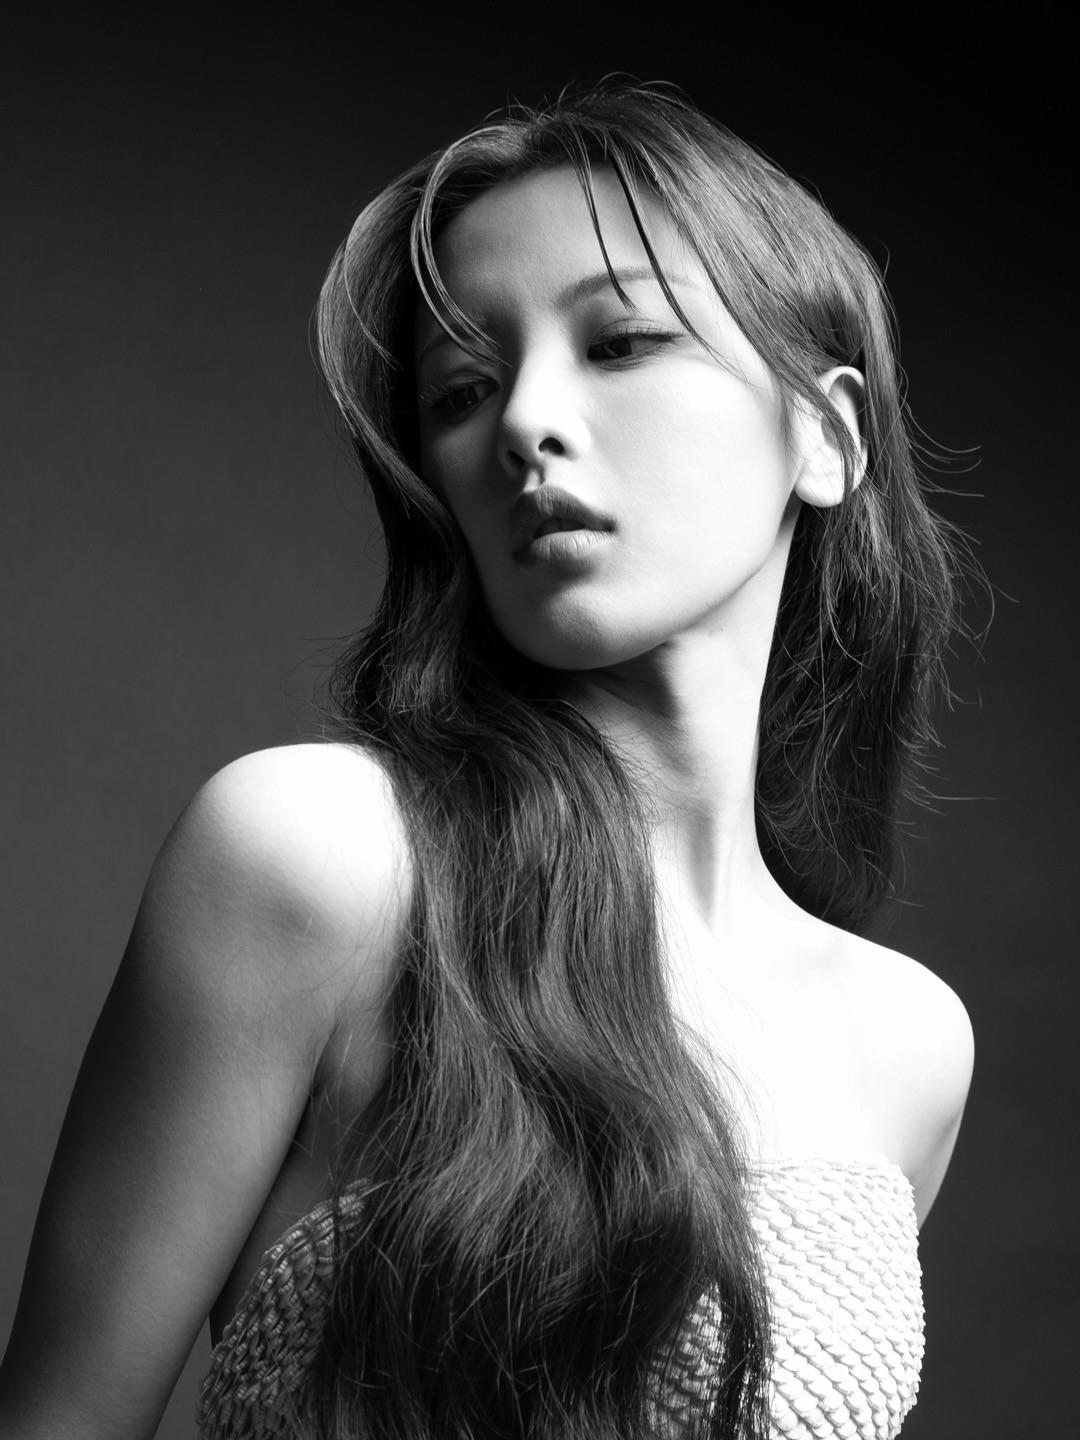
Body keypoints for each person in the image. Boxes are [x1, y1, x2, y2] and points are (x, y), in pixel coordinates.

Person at [0, 80, 975, 1440]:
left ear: (825, 433)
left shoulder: (908, 1040)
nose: (525, 421)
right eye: (463, 389)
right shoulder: (323, 859)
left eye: (622, 341)